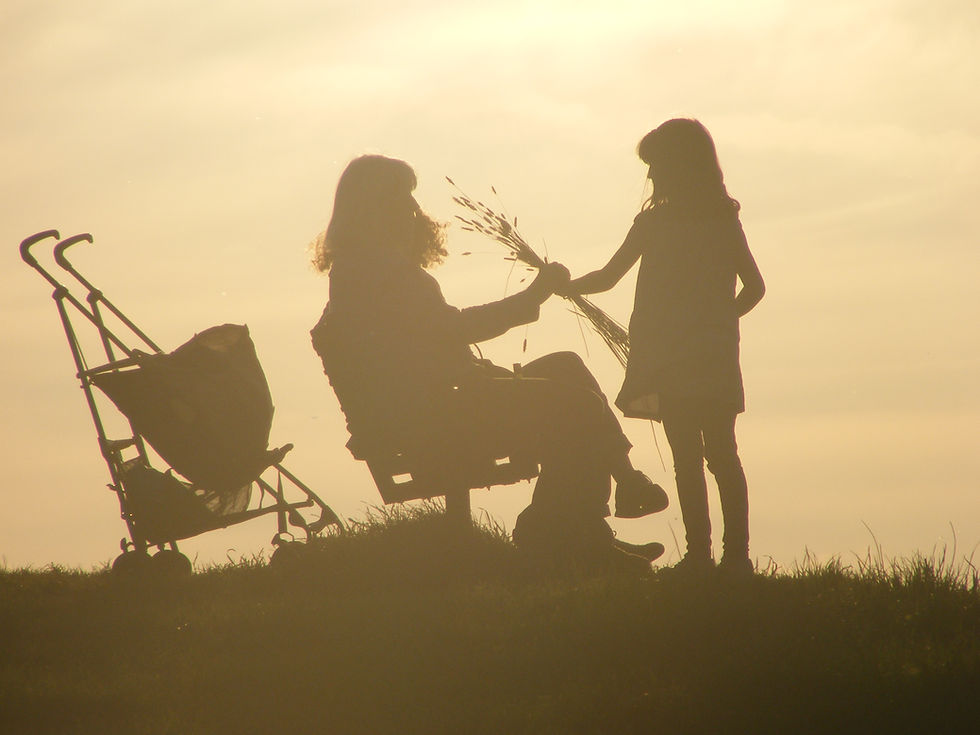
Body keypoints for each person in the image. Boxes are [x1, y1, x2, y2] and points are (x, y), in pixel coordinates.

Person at [310, 154, 668, 570]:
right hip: (438, 413)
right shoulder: (382, 273)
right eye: (402, 199)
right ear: (374, 207)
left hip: (435, 404)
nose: (413, 210)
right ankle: (570, 533)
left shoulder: (358, 270)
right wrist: (533, 296)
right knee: (578, 407)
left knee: (564, 366)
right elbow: (454, 330)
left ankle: (593, 520)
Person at [560, 120, 765, 576]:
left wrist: (567, 287)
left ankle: (701, 557)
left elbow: (609, 277)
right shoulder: (721, 221)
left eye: (654, 166)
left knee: (689, 459)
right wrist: (717, 323)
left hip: (673, 358)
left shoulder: (654, 224)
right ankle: (735, 559)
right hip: (710, 356)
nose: (650, 177)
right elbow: (754, 288)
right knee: (722, 455)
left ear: (676, 166)